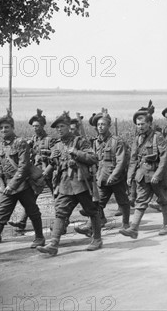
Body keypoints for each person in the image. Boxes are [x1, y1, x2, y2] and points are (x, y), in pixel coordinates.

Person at [0, 111, 45, 255]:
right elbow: (0, 167)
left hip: (23, 184)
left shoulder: (20, 143)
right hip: (8, 185)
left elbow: (24, 167)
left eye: (6, 127)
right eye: (1, 128)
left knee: (32, 211)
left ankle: (39, 237)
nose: (3, 130)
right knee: (0, 213)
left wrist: (12, 185)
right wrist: (3, 185)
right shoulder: (1, 144)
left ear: (12, 128)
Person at [36, 111, 100, 256]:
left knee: (92, 210)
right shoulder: (57, 145)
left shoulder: (80, 141)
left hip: (81, 183)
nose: (59, 129)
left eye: (62, 126)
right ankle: (53, 243)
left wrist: (76, 153)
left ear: (68, 126)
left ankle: (97, 239)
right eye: (57, 127)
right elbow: (54, 163)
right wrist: (47, 168)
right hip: (64, 184)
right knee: (60, 213)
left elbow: (93, 158)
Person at [74, 109, 131, 237]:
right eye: (98, 124)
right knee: (97, 204)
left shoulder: (117, 141)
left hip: (116, 178)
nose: (100, 126)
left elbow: (121, 161)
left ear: (109, 126)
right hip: (101, 178)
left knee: (123, 201)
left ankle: (126, 224)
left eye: (103, 124)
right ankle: (90, 226)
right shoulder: (95, 142)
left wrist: (114, 176)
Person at [119, 102, 167, 239]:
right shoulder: (137, 139)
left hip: (156, 175)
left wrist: (158, 174)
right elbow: (133, 159)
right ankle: (134, 228)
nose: (140, 127)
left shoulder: (157, 137)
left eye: (142, 124)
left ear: (149, 124)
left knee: (163, 199)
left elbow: (165, 158)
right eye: (138, 124)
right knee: (141, 201)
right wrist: (130, 176)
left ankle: (166, 225)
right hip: (142, 175)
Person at [9, 109, 57, 231]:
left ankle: (60, 223)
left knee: (57, 197)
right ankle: (22, 221)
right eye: (34, 126)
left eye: (37, 126)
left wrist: (48, 170)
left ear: (43, 126)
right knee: (30, 197)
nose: (35, 128)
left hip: (48, 173)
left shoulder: (49, 140)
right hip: (36, 173)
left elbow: (55, 157)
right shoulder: (33, 140)